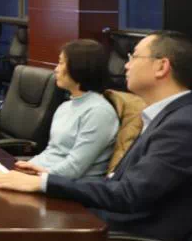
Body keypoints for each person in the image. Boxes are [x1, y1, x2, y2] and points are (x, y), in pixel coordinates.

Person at [0, 31, 192, 241]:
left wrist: (45, 183)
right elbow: (121, 184)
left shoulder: (185, 126)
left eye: (134, 57)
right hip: (117, 225)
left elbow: (129, 194)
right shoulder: (169, 117)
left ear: (161, 66)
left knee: (10, 236)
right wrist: (47, 179)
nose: (126, 65)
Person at [15, 39, 119, 179]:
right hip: (44, 177)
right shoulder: (65, 106)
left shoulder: (99, 112)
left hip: (66, 185)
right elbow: (52, 152)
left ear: (79, 67)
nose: (56, 69)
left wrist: (36, 175)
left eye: (61, 63)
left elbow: (74, 168)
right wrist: (24, 168)